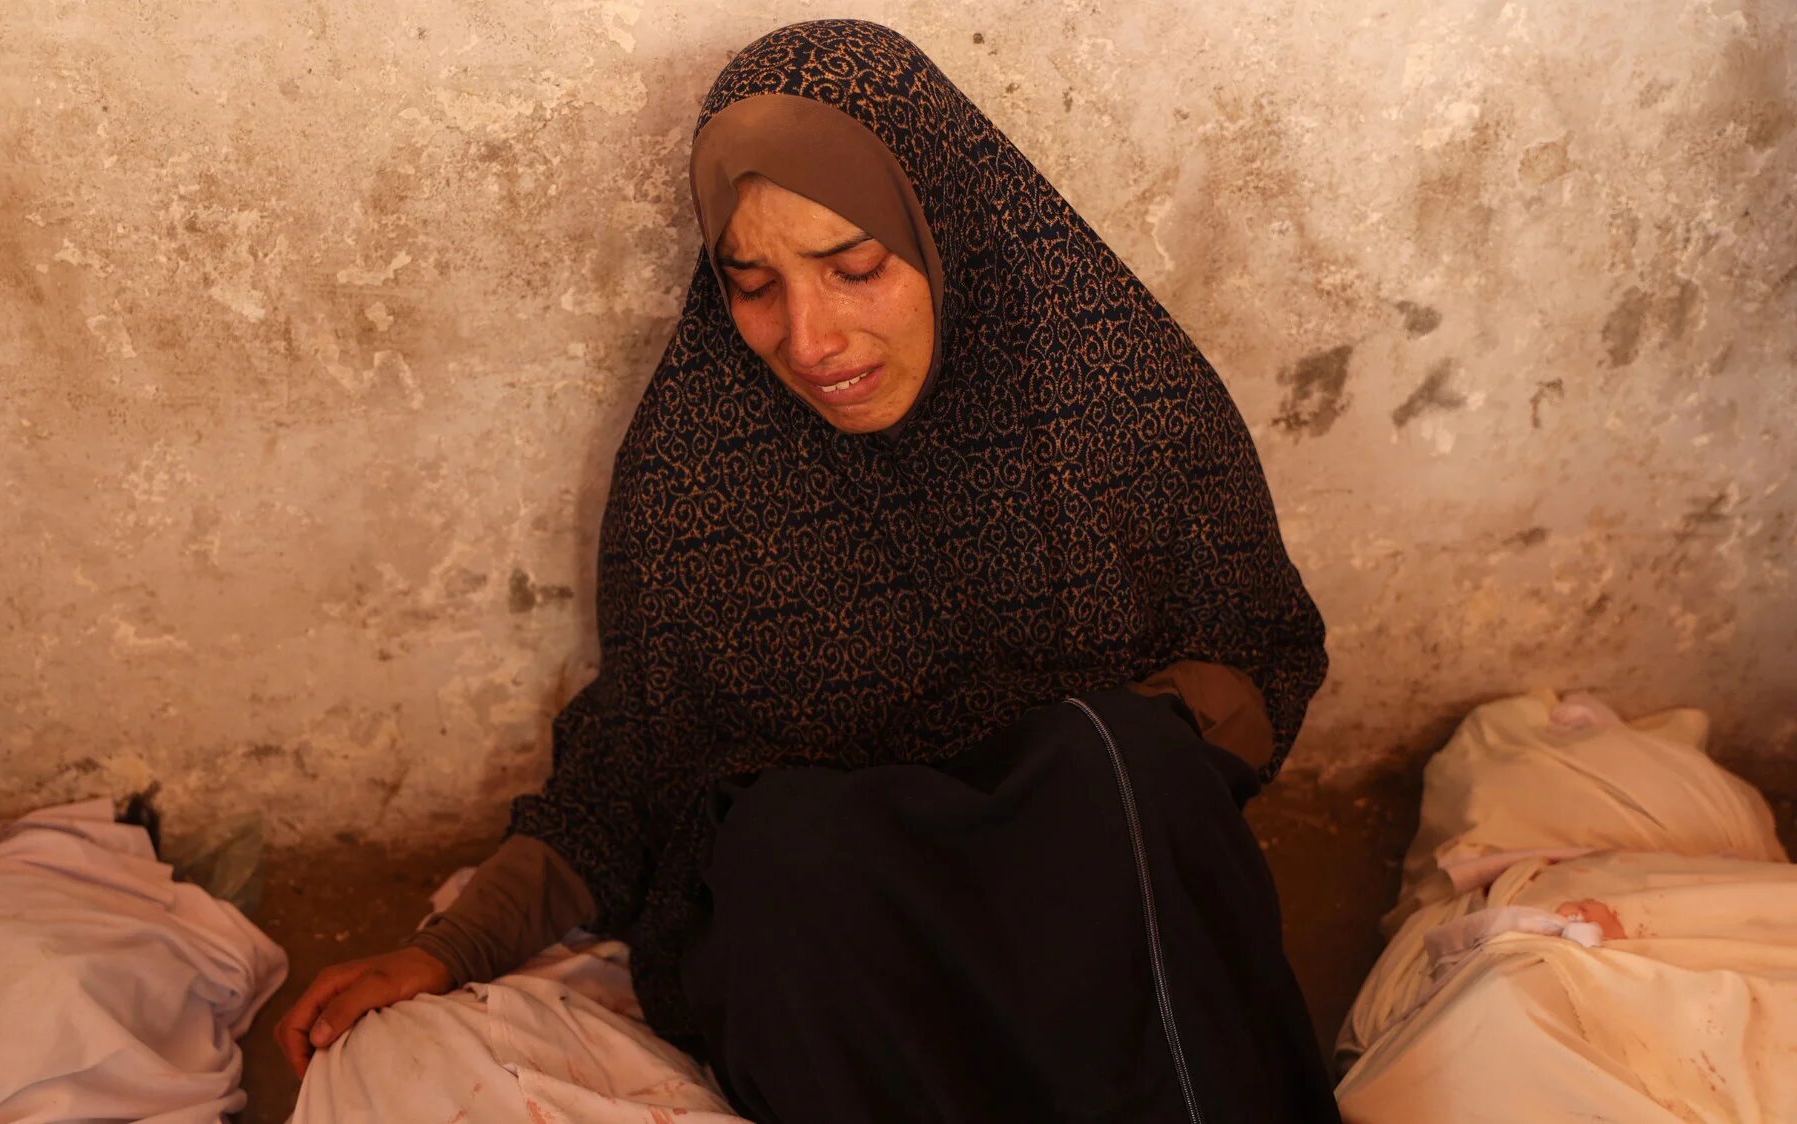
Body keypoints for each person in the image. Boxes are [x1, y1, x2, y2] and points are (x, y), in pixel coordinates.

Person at [278, 19, 1339, 1122]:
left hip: (1075, 897)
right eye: (752, 284)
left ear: (944, 229)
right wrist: (450, 947)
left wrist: (1035, 798)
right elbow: (643, 754)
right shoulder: (704, 466)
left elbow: (1255, 654)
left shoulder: (1113, 400)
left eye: (854, 267)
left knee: (1115, 764)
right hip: (842, 947)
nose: (808, 338)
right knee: (782, 843)